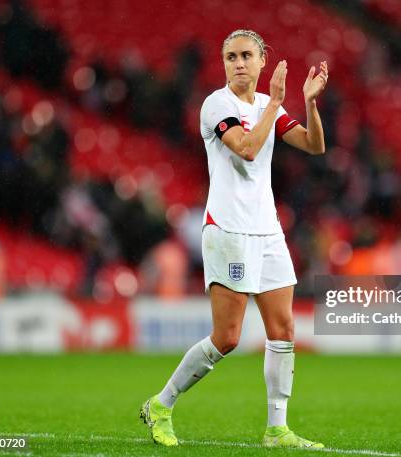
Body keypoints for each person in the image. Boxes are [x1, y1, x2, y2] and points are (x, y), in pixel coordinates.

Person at [139, 29, 328, 448]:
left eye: (246, 55)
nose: (238, 63)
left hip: (267, 229)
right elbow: (245, 148)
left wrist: (310, 102)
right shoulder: (216, 105)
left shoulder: (265, 105)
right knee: (227, 337)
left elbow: (315, 146)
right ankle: (161, 404)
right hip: (227, 228)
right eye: (230, 56)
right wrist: (276, 102)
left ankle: (277, 428)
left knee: (283, 329)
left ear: (263, 61)